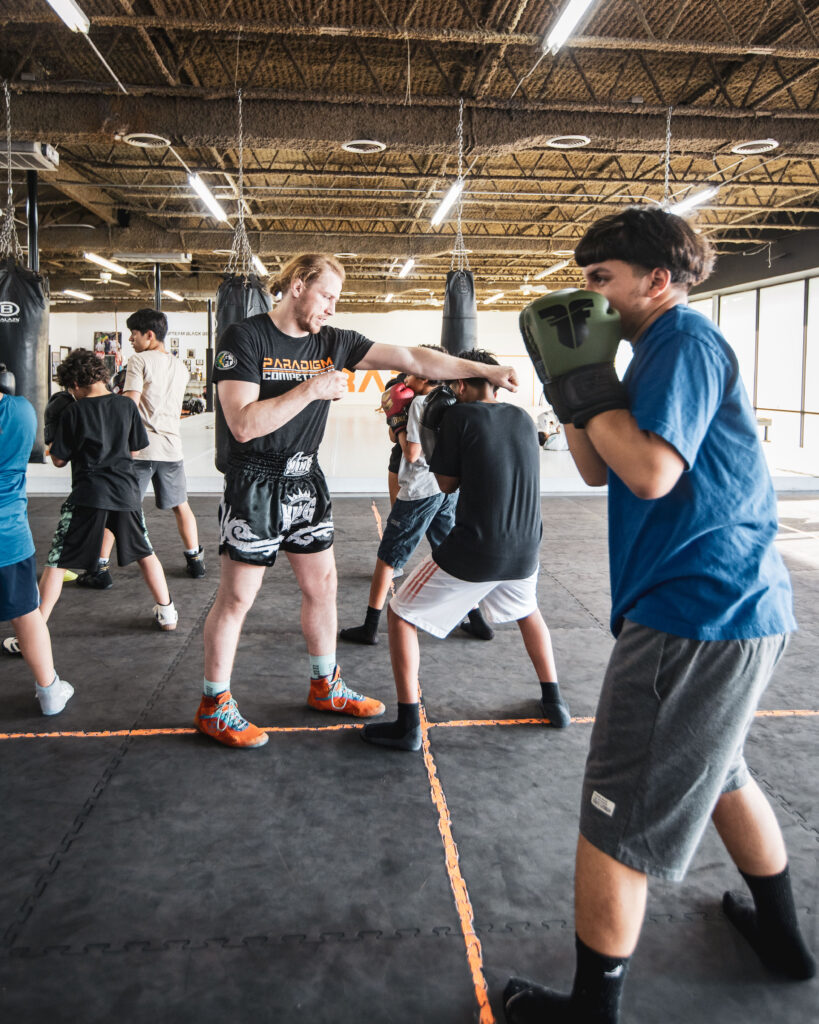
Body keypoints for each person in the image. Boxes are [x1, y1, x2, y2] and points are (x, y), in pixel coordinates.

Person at [503, 208, 815, 1024]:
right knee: (723, 772)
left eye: (600, 279)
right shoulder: (646, 353)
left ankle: (590, 1009)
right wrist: (569, 384)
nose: (589, 297)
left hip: (693, 612)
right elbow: (596, 467)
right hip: (729, 604)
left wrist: (586, 384)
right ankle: (782, 941)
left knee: (616, 807)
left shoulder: (682, 340)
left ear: (656, 279)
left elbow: (646, 473)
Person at [195, 253, 519, 749]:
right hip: (254, 481)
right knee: (239, 597)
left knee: (323, 586)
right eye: (326, 295)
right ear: (298, 285)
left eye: (336, 300)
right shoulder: (245, 336)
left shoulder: (335, 342)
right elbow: (242, 424)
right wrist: (313, 388)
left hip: (306, 478)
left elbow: (414, 359)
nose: (331, 307)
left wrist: (481, 369)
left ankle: (325, 683)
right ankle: (214, 705)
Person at [361, 349, 570, 752]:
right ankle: (554, 701)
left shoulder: (459, 416)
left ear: (460, 381)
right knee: (528, 611)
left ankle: (407, 725)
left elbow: (445, 485)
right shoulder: (523, 418)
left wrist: (436, 429)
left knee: (400, 612)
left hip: (478, 547)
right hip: (527, 546)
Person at [3, 349, 178, 659]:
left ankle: (35, 630)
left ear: (73, 384)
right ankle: (167, 613)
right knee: (145, 551)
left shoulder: (73, 412)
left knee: (57, 561)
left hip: (88, 495)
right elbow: (136, 451)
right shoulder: (126, 405)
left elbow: (58, 459)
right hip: (125, 495)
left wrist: (56, 438)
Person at [77, 308, 204, 588]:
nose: (131, 340)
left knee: (117, 506)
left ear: (149, 335)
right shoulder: (180, 366)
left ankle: (100, 567)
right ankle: (195, 560)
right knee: (181, 505)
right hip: (172, 448)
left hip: (141, 450)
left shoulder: (140, 360)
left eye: (134, 334)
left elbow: (130, 404)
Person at [340, 359, 460, 646]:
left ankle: (370, 627)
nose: (405, 382)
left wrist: (399, 425)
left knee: (387, 559)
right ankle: (477, 619)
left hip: (420, 489)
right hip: (446, 486)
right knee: (448, 550)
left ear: (424, 377)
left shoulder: (420, 403)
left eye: (411, 377)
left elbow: (412, 453)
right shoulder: (453, 399)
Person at [0, 366, 73, 713]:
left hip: (10, 537)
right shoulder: (22, 410)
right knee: (27, 614)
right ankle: (49, 693)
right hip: (10, 535)